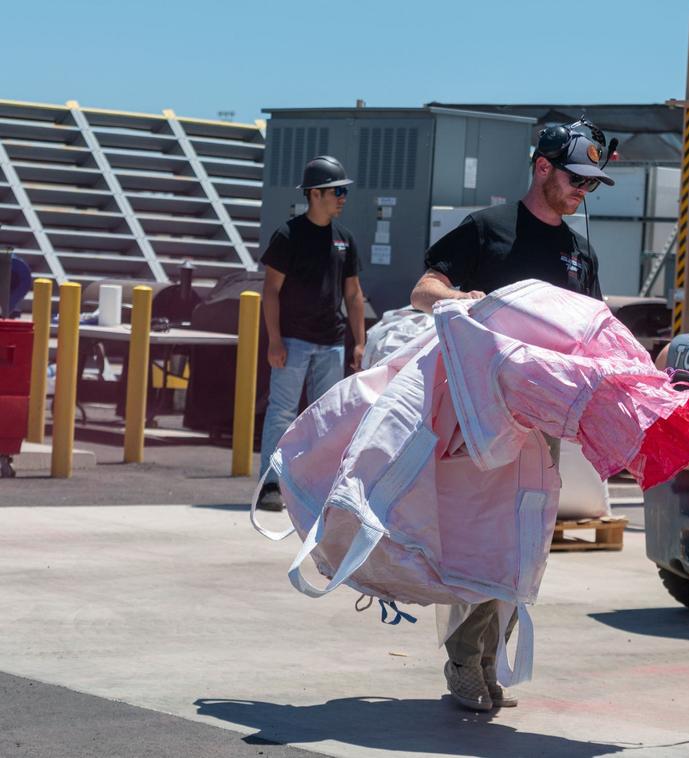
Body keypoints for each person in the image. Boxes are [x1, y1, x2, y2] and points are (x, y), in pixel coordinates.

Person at [410, 121, 614, 712]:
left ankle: (483, 657)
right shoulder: (488, 229)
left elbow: (593, 333)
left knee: (525, 545)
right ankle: (464, 658)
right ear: (543, 167)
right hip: (483, 417)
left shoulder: (580, 253)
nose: (584, 192)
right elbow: (423, 290)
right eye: (577, 178)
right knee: (490, 539)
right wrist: (458, 300)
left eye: (593, 184)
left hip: (545, 423)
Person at [256, 156, 366, 511]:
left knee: (328, 416)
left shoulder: (344, 239)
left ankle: (318, 487)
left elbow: (353, 293)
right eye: (337, 191)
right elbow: (270, 290)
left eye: (343, 192)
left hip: (331, 343)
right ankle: (270, 485)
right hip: (292, 340)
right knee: (282, 412)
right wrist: (274, 339)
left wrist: (360, 341)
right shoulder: (288, 235)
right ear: (315, 194)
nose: (342, 198)